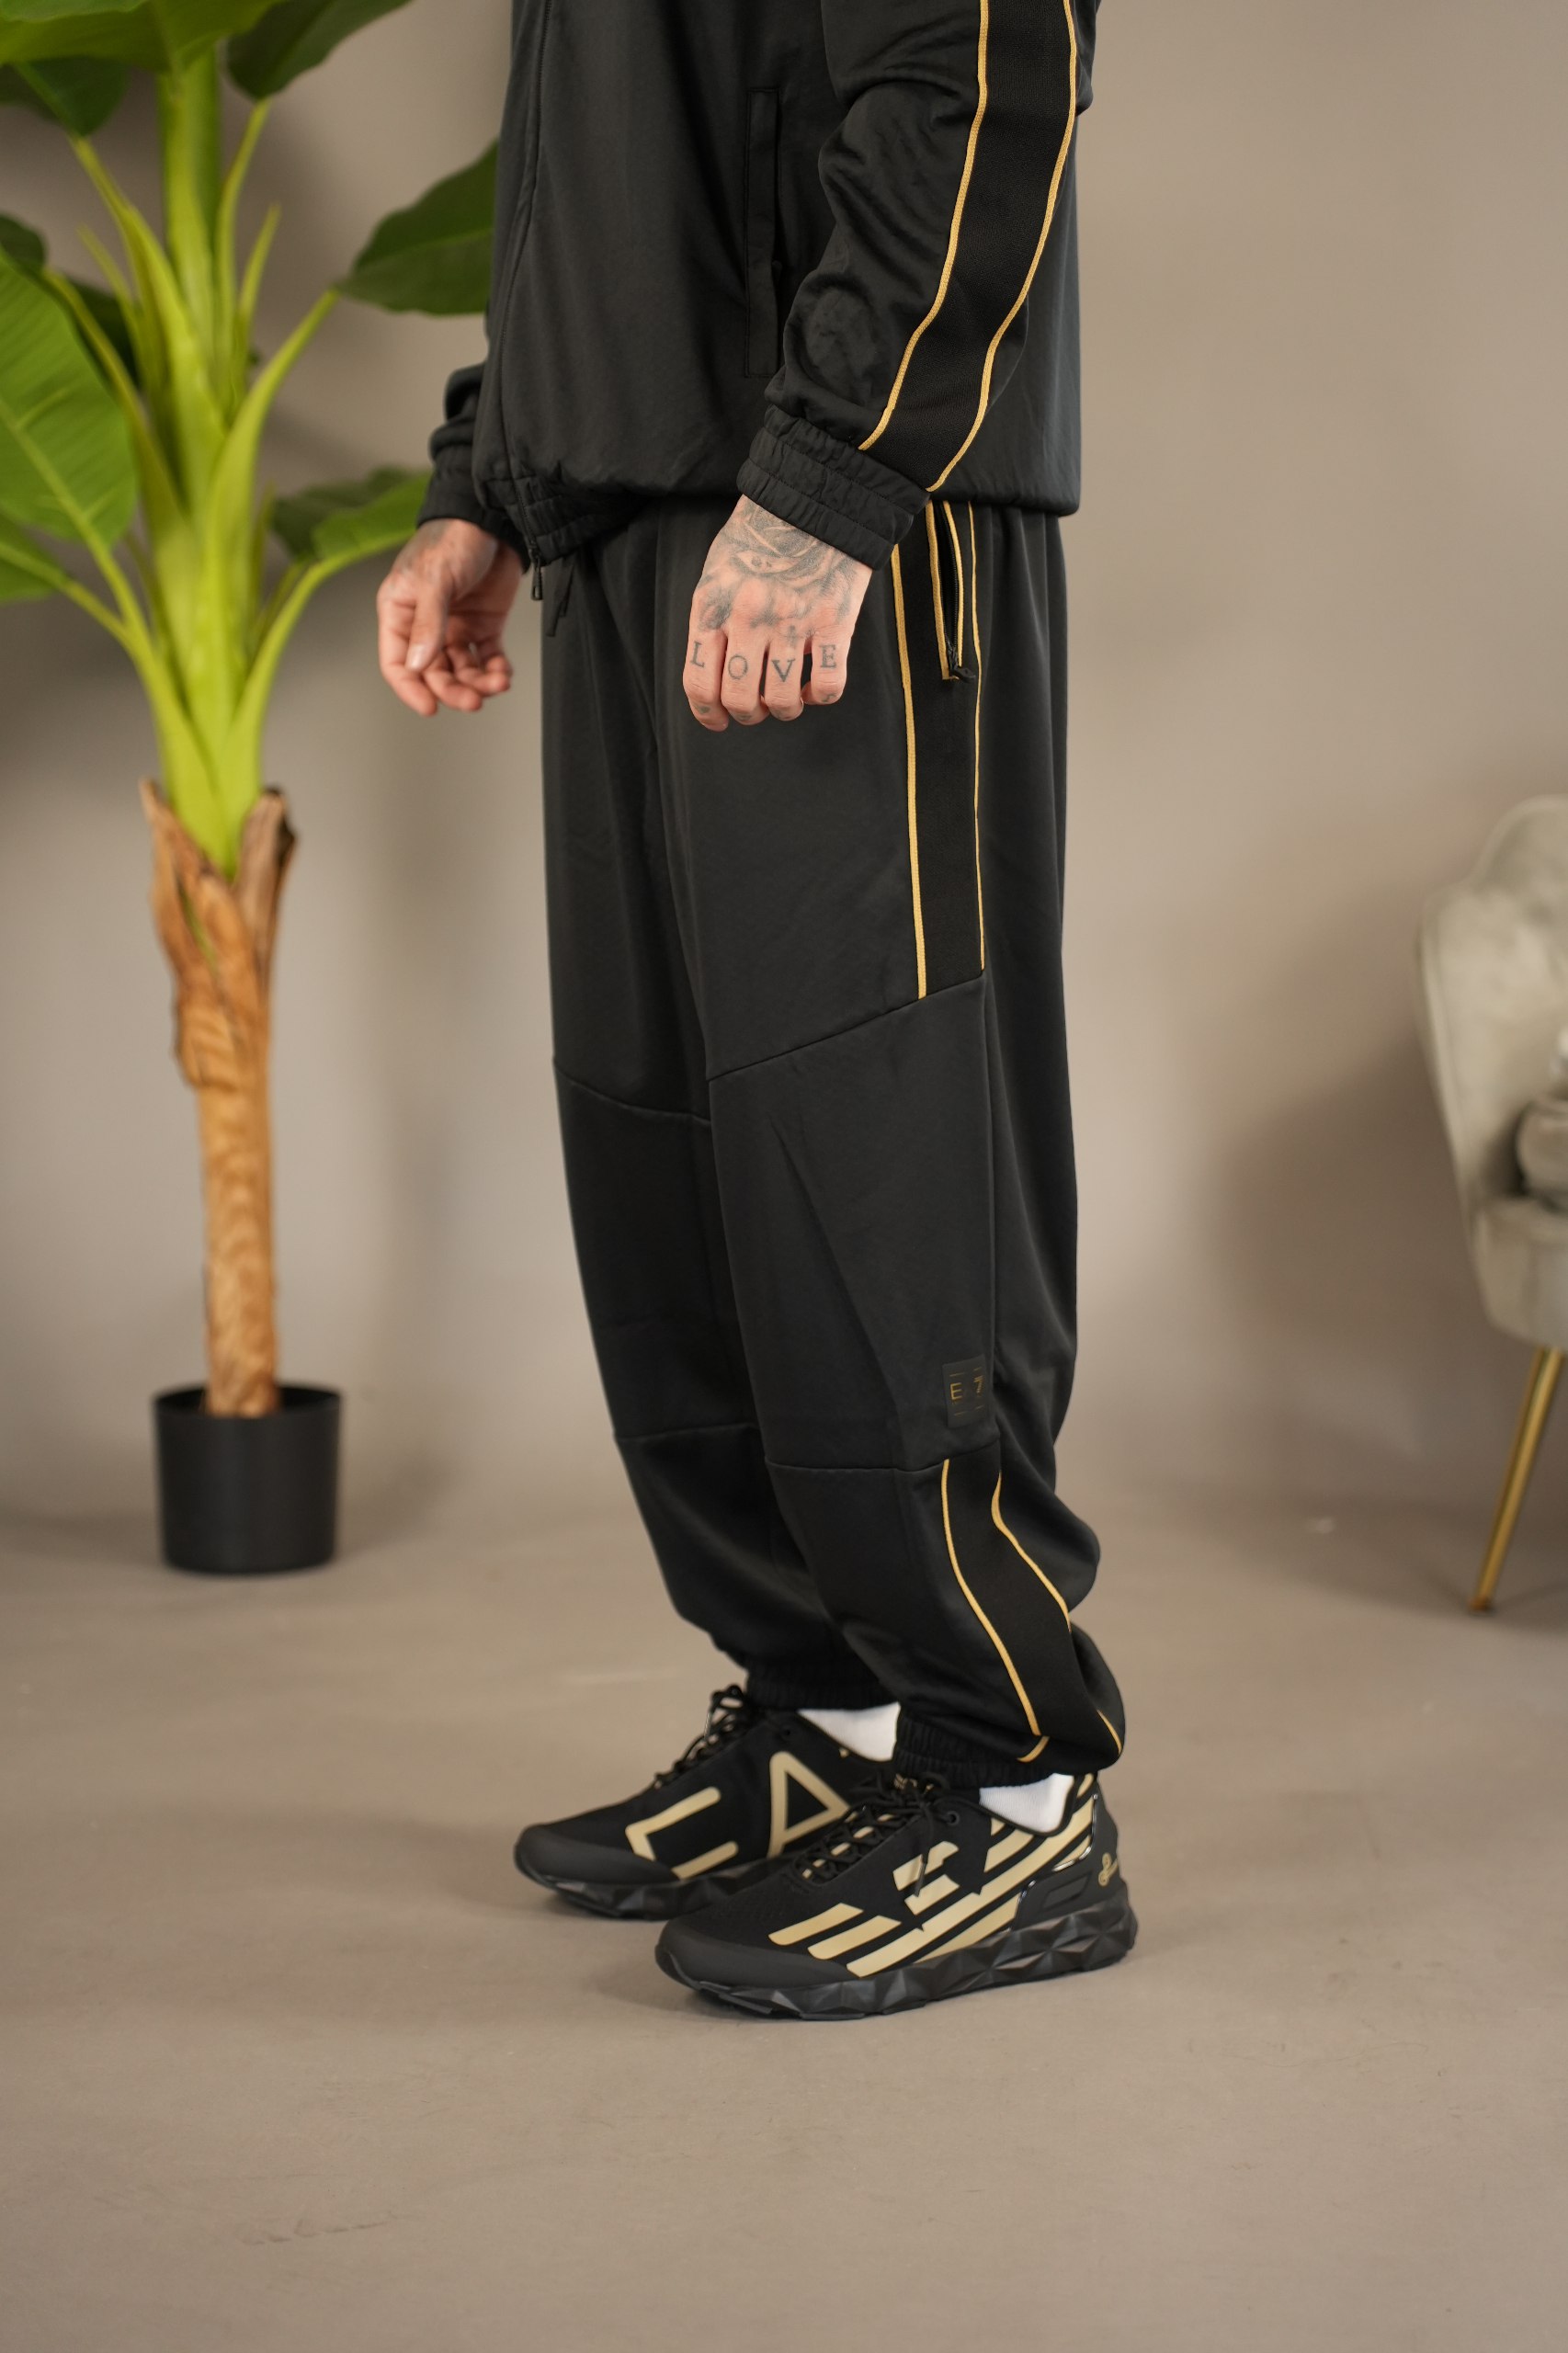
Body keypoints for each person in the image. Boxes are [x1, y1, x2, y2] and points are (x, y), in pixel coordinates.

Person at [376, 0, 1131, 2019]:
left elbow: (977, 65)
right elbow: (598, 157)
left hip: (841, 512)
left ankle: (1013, 1782)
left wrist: (837, 470)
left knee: (872, 1156)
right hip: (634, 509)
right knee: (675, 1161)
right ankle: (835, 1713)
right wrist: (486, 476)